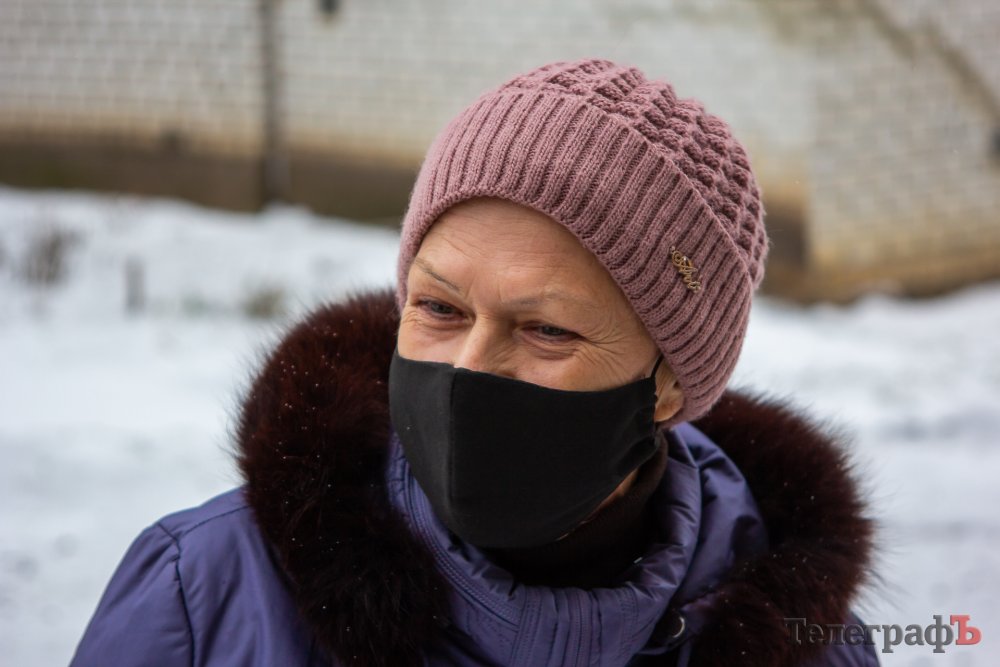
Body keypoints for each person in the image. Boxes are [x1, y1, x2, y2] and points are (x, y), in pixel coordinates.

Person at [70, 59, 879, 666]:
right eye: (440, 309)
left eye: (547, 329)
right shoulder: (204, 599)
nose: (470, 371)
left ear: (667, 382)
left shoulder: (811, 645)